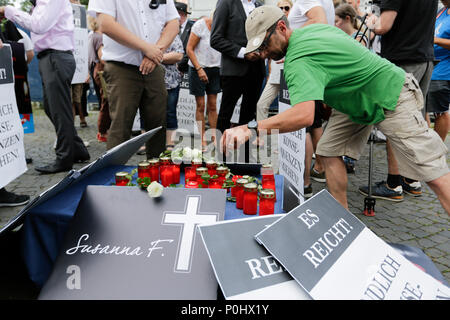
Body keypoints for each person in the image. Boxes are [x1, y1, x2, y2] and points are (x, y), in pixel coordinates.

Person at [221, 6, 450, 215]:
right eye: (258, 49)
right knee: (328, 151)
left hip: (390, 94)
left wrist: (251, 128)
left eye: (264, 45)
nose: (262, 54)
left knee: (434, 175)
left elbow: (304, 115)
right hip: (358, 101)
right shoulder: (311, 32)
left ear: (282, 28)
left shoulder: (297, 59)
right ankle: (343, 218)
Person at [359, 0, 438, 201]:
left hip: (402, 60)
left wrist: (369, 21)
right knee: (416, 122)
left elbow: (383, 26)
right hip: (424, 58)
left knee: (396, 123)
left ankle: (393, 183)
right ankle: (412, 180)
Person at [1, 0, 90, 174]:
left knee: (58, 109)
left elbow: (38, 25)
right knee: (52, 108)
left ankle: (65, 158)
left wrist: (8, 10)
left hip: (55, 57)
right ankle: (77, 149)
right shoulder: (42, 4)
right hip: (51, 57)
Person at [88, 0, 179, 159]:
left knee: (157, 126)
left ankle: (155, 175)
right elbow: (106, 24)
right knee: (121, 126)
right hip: (122, 66)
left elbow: (173, 23)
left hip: (153, 66)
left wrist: (155, 51)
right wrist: (146, 48)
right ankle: (113, 177)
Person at [287, 0, 336, 198]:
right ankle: (320, 167)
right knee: (314, 122)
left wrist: (289, 36)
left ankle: (304, 181)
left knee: (303, 124)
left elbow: (320, 20)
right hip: (317, 62)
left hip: (306, 62)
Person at [210, 0, 266, 162]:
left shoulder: (260, 5)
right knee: (225, 114)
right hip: (233, 69)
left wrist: (264, 51)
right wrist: (243, 52)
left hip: (256, 69)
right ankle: (220, 156)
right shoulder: (226, 3)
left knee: (249, 116)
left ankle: (245, 157)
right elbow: (215, 39)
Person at [186, 12, 221, 151]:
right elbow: (189, 49)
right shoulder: (200, 25)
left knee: (213, 105)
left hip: (215, 69)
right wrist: (199, 69)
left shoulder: (223, 27)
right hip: (197, 67)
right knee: (200, 105)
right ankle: (201, 140)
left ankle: (214, 137)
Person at [426, 0, 450, 142]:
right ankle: (427, 146)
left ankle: (438, 149)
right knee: (423, 110)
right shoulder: (441, 11)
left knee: (440, 111)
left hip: (443, 71)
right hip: (430, 67)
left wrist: (435, 40)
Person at [87, 15, 111, 143]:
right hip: (102, 70)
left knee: (104, 100)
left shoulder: (91, 35)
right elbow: (102, 57)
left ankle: (103, 130)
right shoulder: (100, 37)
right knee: (106, 101)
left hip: (95, 69)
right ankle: (103, 131)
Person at [162, 35, 184, 150]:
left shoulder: (173, 35)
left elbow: (178, 55)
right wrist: (167, 56)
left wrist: (156, 56)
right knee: (146, 111)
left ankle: (170, 143)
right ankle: (146, 142)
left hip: (171, 81)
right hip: (149, 78)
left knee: (170, 112)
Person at [175, 1, 194, 74]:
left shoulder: (193, 27)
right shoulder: (173, 27)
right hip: (174, 68)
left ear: (181, 14)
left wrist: (179, 65)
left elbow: (191, 49)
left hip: (187, 69)